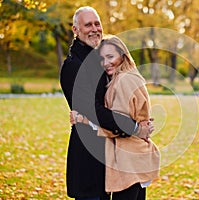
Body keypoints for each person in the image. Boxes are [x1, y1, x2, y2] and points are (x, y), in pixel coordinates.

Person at [60, 6, 153, 200]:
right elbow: (94, 111)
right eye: (88, 25)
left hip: (121, 154)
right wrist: (136, 128)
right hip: (89, 157)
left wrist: (141, 121)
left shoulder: (103, 58)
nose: (94, 29)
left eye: (97, 23)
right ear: (76, 30)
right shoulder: (74, 66)